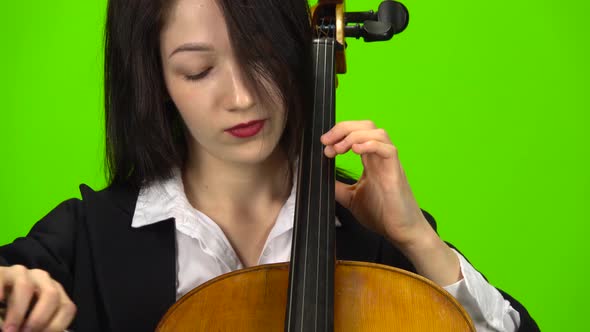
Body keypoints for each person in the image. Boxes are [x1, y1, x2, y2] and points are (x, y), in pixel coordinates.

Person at [0, 0, 539, 331]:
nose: (240, 96)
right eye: (197, 70)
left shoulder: (371, 238)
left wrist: (418, 238)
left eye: (260, 55)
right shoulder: (87, 238)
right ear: (155, 81)